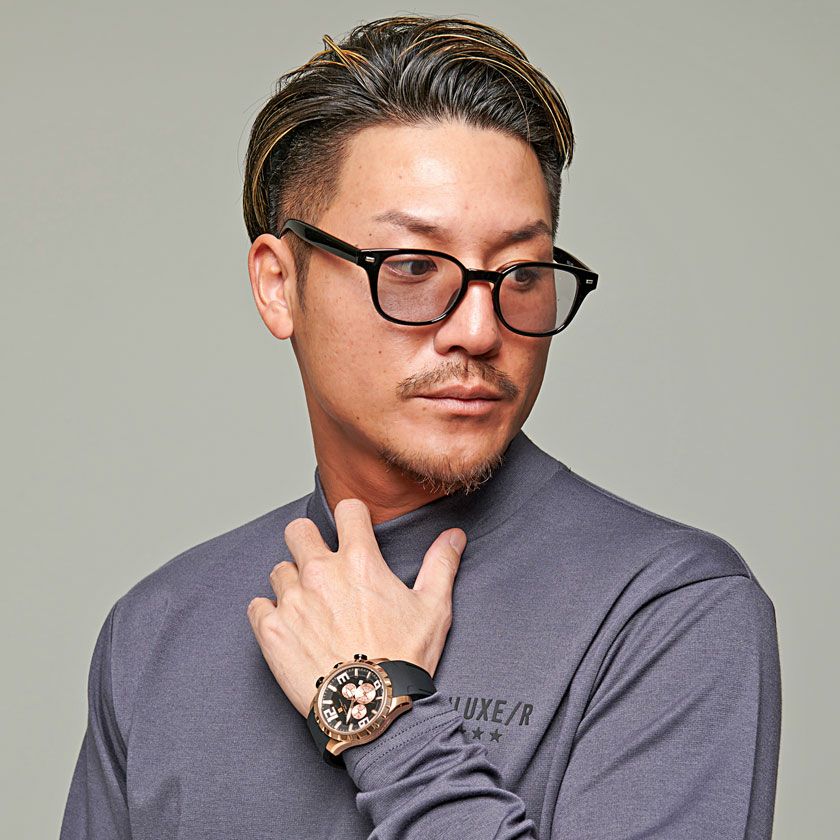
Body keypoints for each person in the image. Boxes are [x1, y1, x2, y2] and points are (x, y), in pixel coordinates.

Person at [60, 14, 782, 840]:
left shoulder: (668, 611)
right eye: (411, 267)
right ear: (278, 284)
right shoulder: (157, 631)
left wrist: (379, 711)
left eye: (521, 272)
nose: (478, 328)